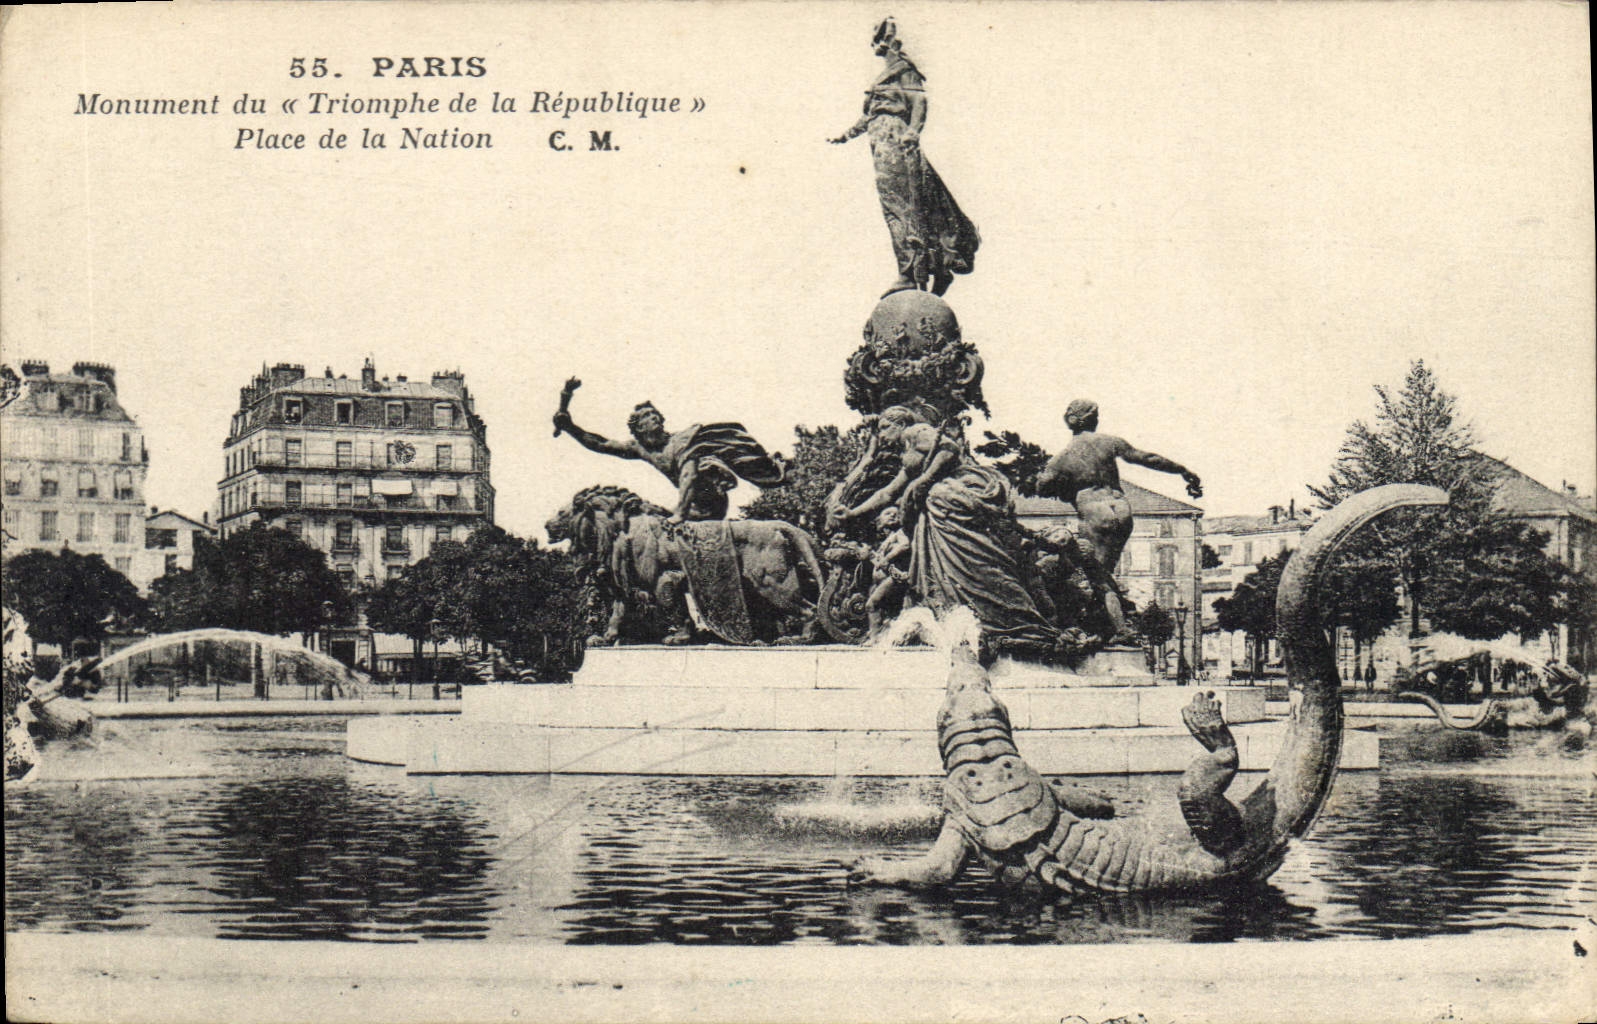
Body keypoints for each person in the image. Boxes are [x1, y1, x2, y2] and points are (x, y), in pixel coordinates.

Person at [831, 407, 1060, 653]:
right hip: (939, 514)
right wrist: (854, 513)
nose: (882, 435)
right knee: (954, 571)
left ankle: (1009, 618)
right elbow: (888, 492)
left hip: (954, 501)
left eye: (885, 428)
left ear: (900, 424)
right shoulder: (907, 451)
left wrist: (924, 479)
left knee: (974, 561)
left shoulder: (917, 431)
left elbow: (949, 448)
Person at [830, 17, 980, 297]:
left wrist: (913, 131)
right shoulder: (883, 78)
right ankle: (928, 268)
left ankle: (912, 272)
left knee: (903, 207)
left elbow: (919, 102)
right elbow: (869, 116)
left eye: (878, 39)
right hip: (880, 143)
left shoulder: (903, 70)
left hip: (896, 140)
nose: (875, 45)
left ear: (888, 42)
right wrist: (846, 135)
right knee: (897, 206)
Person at [1036, 399, 1203, 641]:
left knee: (1098, 578)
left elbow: (1041, 487)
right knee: (1103, 573)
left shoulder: (1062, 458)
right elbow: (1146, 458)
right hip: (1122, 511)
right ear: (1094, 420)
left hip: (1095, 514)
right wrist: (1183, 471)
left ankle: (1121, 631)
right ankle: (1112, 624)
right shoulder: (1109, 442)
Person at [554, 399, 784, 523]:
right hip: (690, 508)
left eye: (655, 414)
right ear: (638, 428)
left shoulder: (681, 441)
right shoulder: (640, 448)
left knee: (692, 462)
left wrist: (679, 514)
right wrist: (570, 427)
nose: (654, 417)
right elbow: (600, 443)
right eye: (646, 416)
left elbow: (688, 476)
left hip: (708, 502)